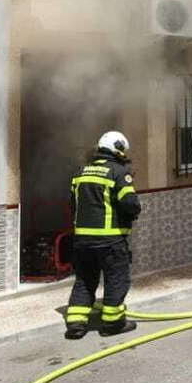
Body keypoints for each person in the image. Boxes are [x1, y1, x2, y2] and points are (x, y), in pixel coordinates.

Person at [64, 131, 141, 339]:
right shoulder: (118, 172)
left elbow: (73, 204)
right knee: (116, 279)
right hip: (110, 241)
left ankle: (76, 324)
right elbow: (129, 204)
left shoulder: (80, 173)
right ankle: (113, 323)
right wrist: (136, 210)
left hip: (82, 241)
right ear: (117, 149)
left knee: (84, 280)